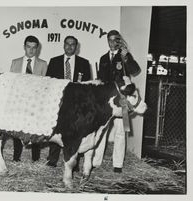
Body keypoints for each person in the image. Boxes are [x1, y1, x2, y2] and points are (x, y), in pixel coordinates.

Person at [98, 30, 141, 173]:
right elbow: (100, 79)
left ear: (119, 41)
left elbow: (135, 70)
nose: (112, 42)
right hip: (105, 99)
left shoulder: (124, 55)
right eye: (109, 40)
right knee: (101, 130)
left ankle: (117, 164)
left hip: (121, 97)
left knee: (121, 131)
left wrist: (126, 56)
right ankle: (96, 161)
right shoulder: (103, 58)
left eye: (115, 40)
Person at [46, 35, 92, 167]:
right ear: (63, 45)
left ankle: (74, 161)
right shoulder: (54, 61)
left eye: (73, 44)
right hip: (58, 102)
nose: (70, 46)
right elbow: (49, 82)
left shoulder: (84, 63)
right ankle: (52, 159)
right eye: (67, 44)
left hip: (76, 104)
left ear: (76, 47)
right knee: (55, 129)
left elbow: (87, 86)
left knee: (76, 132)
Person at [10, 35, 47, 162]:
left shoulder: (43, 64)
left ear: (37, 49)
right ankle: (16, 157)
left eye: (34, 48)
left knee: (35, 130)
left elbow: (44, 86)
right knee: (17, 130)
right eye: (28, 47)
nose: (31, 50)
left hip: (34, 104)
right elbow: (12, 83)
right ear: (24, 47)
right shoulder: (15, 63)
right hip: (19, 102)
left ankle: (35, 159)